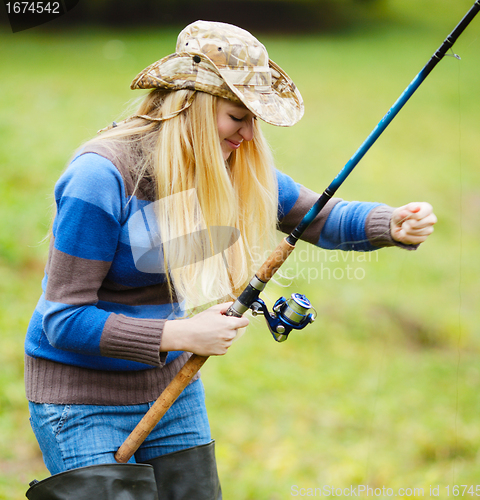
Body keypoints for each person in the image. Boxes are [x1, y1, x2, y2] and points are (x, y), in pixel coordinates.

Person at [25, 20, 437, 499]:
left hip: (170, 390)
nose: (248, 134)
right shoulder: (100, 176)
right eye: (237, 115)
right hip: (80, 401)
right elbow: (63, 318)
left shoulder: (229, 164)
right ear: (190, 105)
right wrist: (181, 333)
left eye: (255, 119)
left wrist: (391, 224)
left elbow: (318, 217)